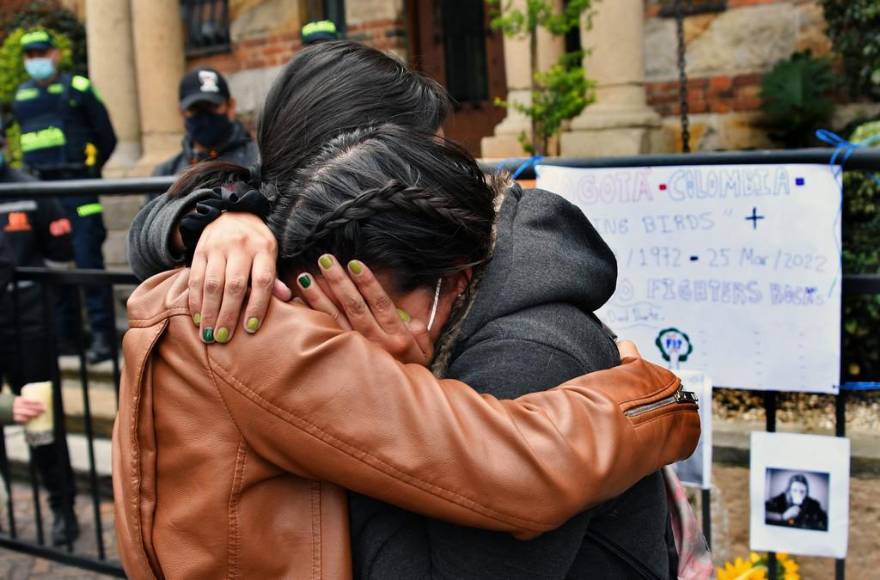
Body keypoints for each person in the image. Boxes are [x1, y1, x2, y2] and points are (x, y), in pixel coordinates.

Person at [122, 43, 701, 578]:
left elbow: (522, 474)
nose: (445, 163)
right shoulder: (265, 287)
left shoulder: (521, 350)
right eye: (428, 145)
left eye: (433, 147)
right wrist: (218, 218)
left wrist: (385, 389)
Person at [11, 29, 118, 364]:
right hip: (43, 194)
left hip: (78, 188)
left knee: (88, 264)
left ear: (55, 54)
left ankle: (102, 336)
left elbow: (107, 137)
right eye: (29, 55)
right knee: (53, 266)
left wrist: (89, 169)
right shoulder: (22, 97)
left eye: (41, 52)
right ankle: (66, 337)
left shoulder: (78, 88)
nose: (36, 60)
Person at [0, 133, 79, 546]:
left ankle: (61, 506)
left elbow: (59, 253)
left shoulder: (29, 191)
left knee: (40, 420)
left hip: (29, 323)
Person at [152, 68, 258, 178]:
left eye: (213, 107)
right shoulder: (165, 173)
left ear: (231, 106)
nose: (205, 117)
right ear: (182, 113)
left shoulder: (259, 160)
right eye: (194, 109)